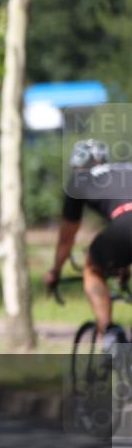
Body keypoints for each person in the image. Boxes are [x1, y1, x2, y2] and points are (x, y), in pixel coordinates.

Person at [45, 139, 132, 351]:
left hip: (126, 224)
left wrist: (55, 271)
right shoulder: (127, 168)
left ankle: (111, 334)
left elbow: (67, 238)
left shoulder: (79, 180)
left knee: (92, 266)